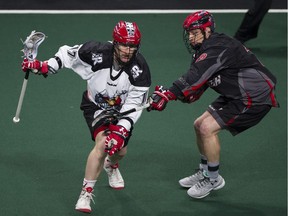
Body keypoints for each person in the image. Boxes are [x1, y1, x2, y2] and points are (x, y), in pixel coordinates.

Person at [21, 21, 151, 213]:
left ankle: (111, 165)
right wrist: (44, 66)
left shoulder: (140, 70)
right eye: (124, 44)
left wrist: (121, 129)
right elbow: (66, 55)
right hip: (95, 106)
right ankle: (86, 193)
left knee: (119, 151)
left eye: (132, 46)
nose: (127, 50)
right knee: (103, 143)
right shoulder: (95, 51)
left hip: (122, 112)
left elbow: (134, 106)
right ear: (115, 42)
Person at [148, 10, 279, 199]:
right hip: (235, 93)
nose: (190, 38)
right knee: (198, 124)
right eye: (189, 34)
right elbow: (198, 85)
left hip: (254, 96)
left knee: (207, 129)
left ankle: (213, 179)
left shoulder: (217, 46)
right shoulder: (204, 50)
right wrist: (180, 96)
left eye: (195, 33)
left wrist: (169, 94)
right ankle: (205, 170)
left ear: (207, 30)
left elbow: (194, 77)